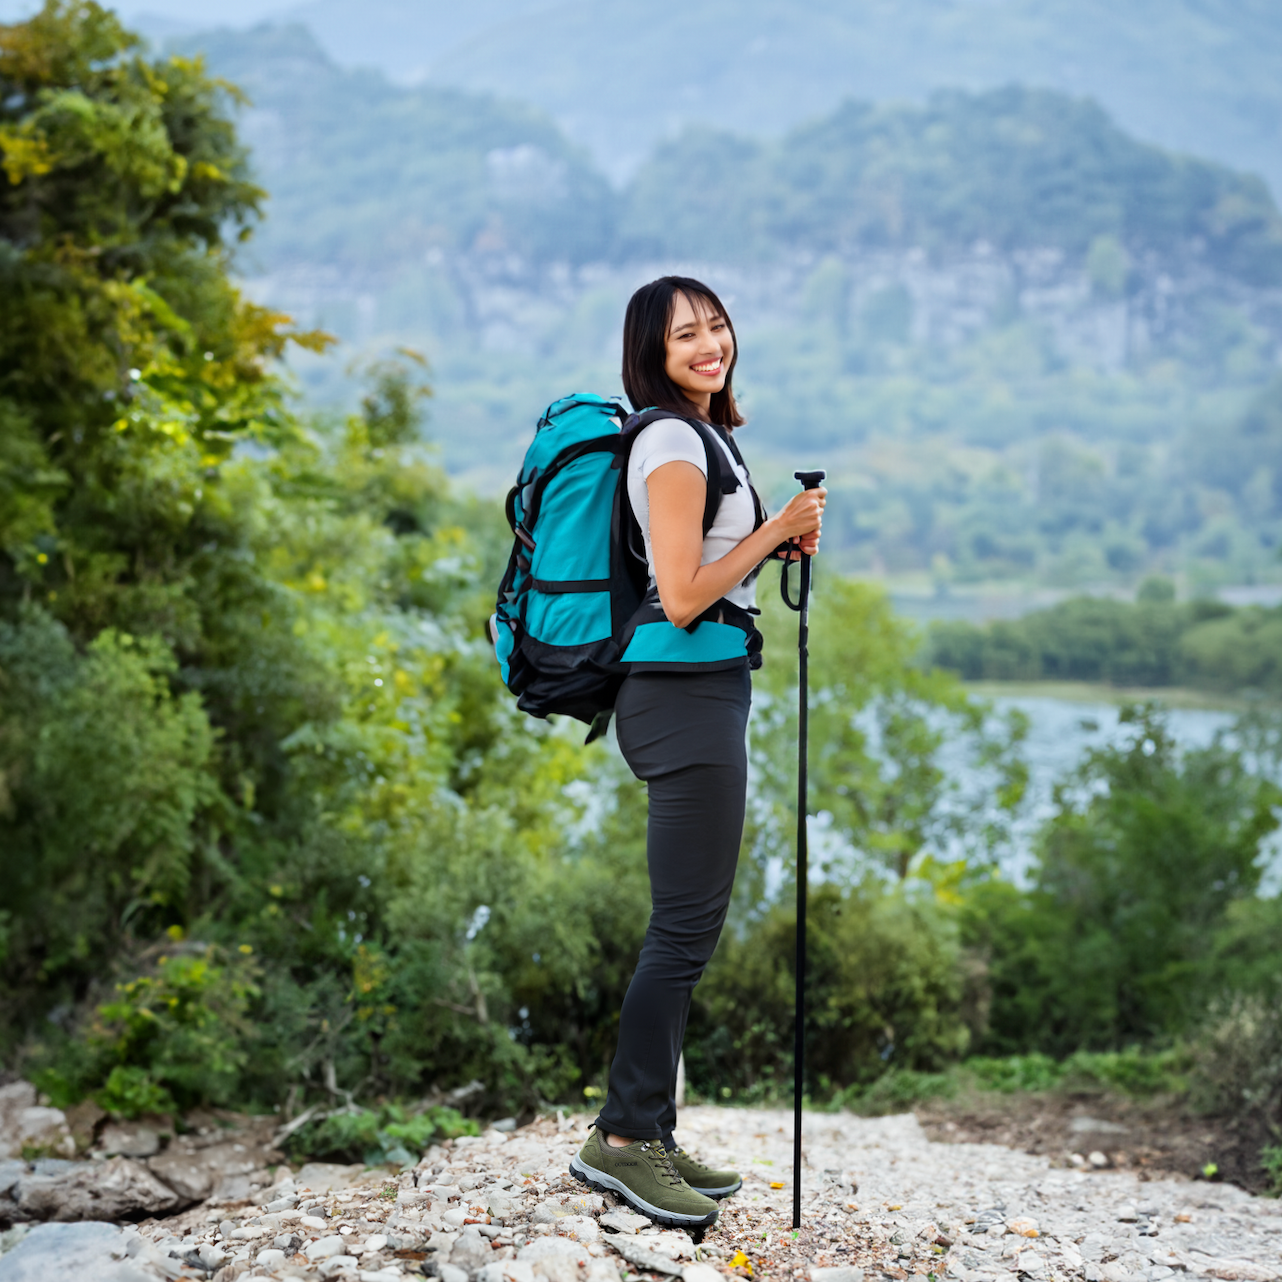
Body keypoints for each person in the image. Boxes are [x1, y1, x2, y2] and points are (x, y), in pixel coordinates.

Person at [569, 277, 826, 1228]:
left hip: (703, 693)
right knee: (681, 933)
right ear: (653, 350)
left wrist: (770, 548)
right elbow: (679, 596)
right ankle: (625, 1141)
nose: (709, 342)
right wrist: (774, 531)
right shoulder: (672, 439)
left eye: (716, 323)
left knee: (690, 930)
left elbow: (710, 579)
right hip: (679, 698)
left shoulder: (703, 436)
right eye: (686, 333)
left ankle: (652, 1130)